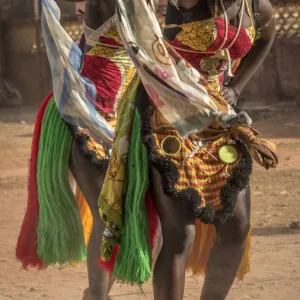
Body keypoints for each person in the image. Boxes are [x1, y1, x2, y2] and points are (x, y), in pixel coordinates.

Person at [17, 1, 278, 300]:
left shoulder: (252, 8)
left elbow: (261, 36)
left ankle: (97, 293)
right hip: (103, 113)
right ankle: (98, 296)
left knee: (226, 226)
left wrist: (234, 88)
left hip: (191, 114)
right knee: (131, 220)